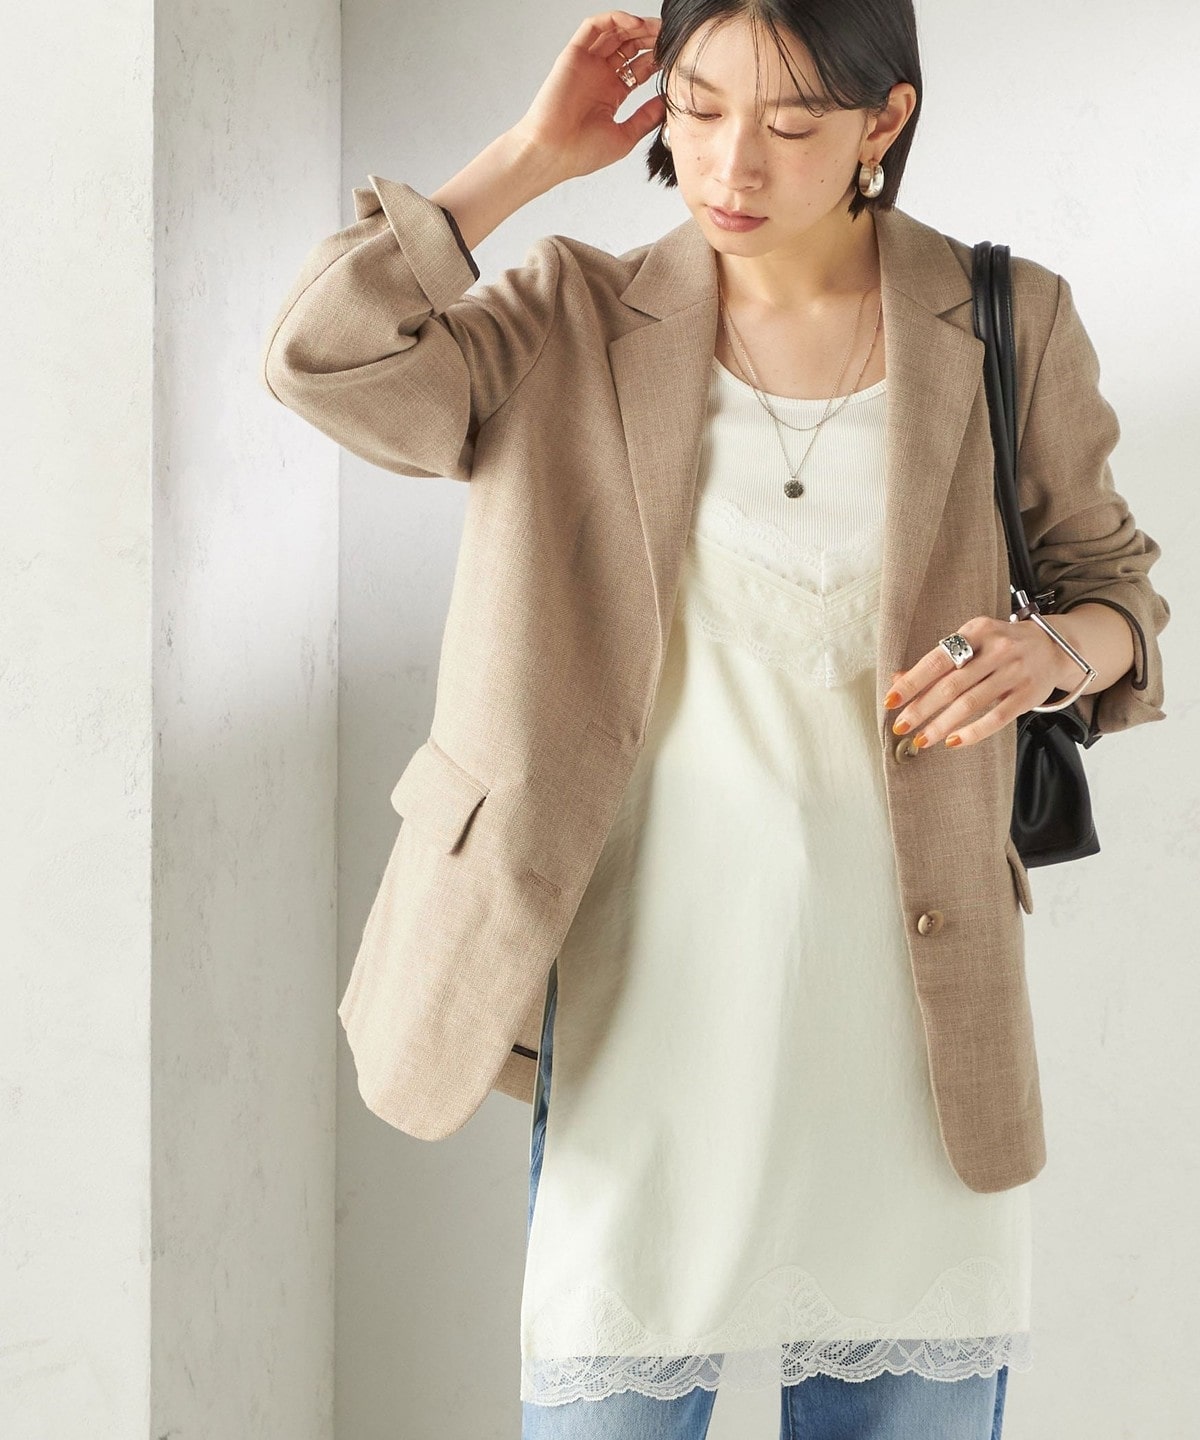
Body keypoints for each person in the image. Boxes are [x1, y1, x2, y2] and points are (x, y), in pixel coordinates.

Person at [260, 4, 1170, 1436]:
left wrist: (1052, 650)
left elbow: (1116, 592)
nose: (731, 161)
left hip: (908, 1018)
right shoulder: (569, 318)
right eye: (695, 108)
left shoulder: (1006, 319)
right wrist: (524, 159)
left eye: (792, 122)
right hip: (643, 998)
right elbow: (320, 357)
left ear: (884, 122)